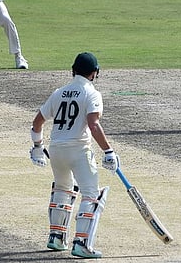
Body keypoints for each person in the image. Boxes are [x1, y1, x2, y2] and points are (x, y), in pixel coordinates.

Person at [29, 52, 120, 258]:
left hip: (56, 150)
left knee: (62, 189)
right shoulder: (91, 93)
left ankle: (56, 237)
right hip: (79, 150)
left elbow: (37, 123)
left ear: (73, 70)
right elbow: (93, 124)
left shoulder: (59, 92)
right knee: (91, 194)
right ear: (94, 73)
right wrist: (108, 151)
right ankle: (82, 243)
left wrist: (37, 146)